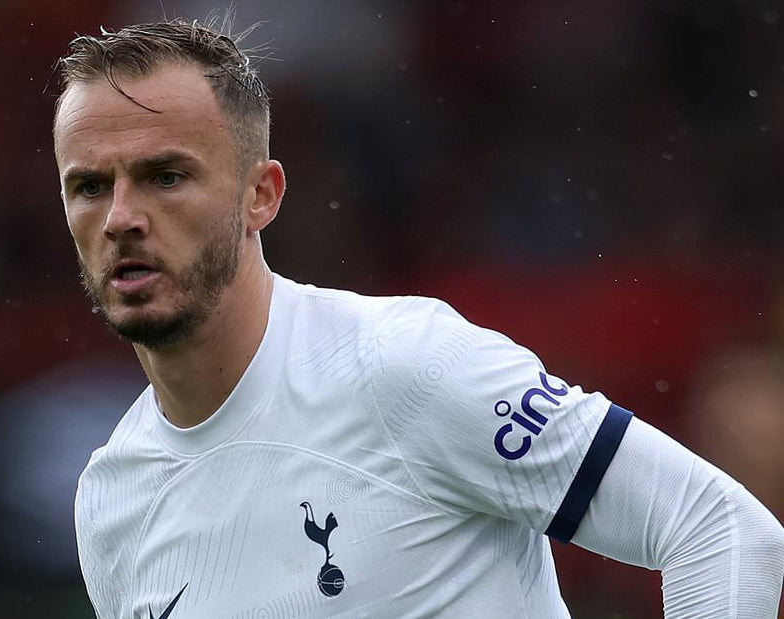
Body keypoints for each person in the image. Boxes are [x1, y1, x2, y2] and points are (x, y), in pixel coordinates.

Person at [53, 18, 784, 618]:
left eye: (165, 175)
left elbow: (716, 526)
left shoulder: (403, 364)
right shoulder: (112, 500)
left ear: (262, 195)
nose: (121, 217)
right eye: (89, 186)